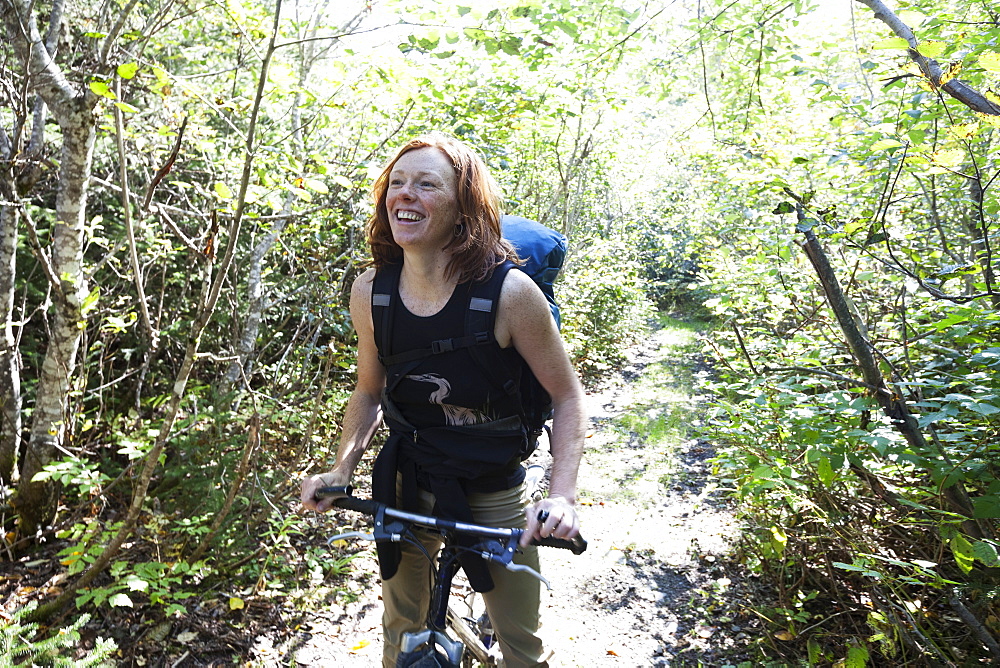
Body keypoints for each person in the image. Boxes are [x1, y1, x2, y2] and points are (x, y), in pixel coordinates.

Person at [300, 132, 586, 667]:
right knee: (402, 636)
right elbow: (370, 390)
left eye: (426, 185)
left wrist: (561, 494)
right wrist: (341, 471)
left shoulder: (510, 294)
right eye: (397, 183)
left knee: (522, 648)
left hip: (492, 490)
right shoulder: (372, 292)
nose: (404, 195)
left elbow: (566, 396)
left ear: (463, 209)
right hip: (408, 481)